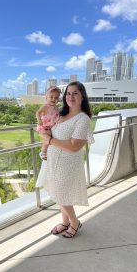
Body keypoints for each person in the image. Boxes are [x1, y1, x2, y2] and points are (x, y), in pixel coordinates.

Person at [37, 81, 94, 238]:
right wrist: (44, 136)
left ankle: (75, 222)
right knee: (57, 192)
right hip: (54, 162)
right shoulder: (60, 114)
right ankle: (65, 221)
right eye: (68, 93)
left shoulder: (82, 119)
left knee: (61, 194)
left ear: (82, 96)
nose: (70, 96)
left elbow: (75, 146)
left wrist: (48, 141)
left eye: (75, 93)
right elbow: (47, 128)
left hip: (67, 165)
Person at [36, 86, 61, 160]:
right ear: (46, 97)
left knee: (50, 140)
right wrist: (39, 120)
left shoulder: (56, 108)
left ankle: (48, 152)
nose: (53, 99)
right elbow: (38, 113)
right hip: (43, 128)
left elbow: (57, 117)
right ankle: (43, 152)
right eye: (51, 97)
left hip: (50, 129)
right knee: (48, 139)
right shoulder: (45, 106)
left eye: (56, 98)